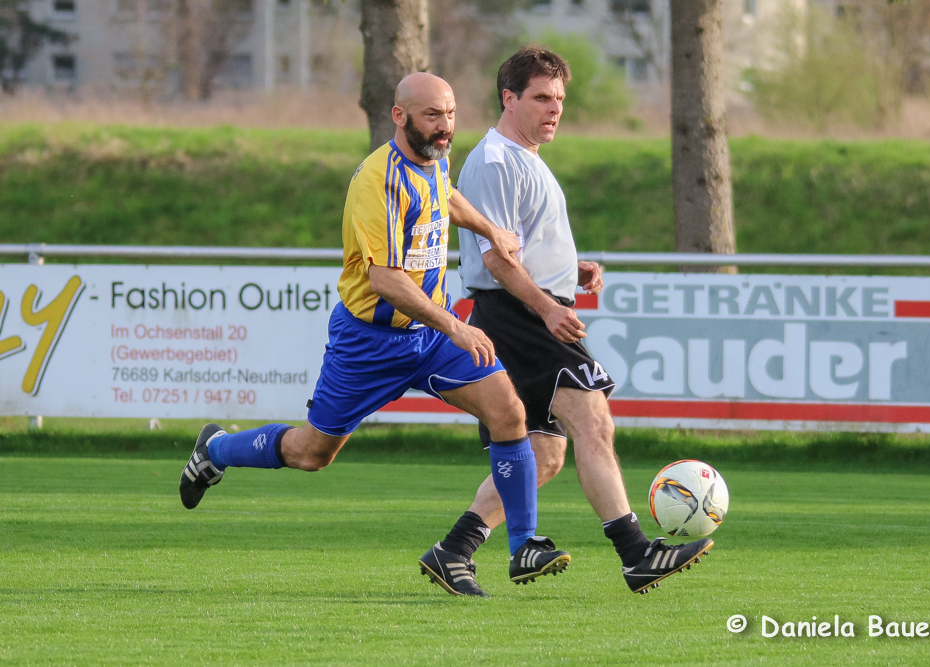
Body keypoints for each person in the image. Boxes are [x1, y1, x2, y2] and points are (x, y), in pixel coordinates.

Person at [179, 72, 570, 598]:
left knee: (509, 412)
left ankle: (523, 544)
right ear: (399, 115)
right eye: (433, 116)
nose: (446, 126)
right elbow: (385, 281)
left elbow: (444, 196)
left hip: (428, 335)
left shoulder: (433, 156)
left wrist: (489, 229)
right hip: (369, 341)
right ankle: (218, 449)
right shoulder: (377, 180)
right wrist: (455, 324)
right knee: (313, 452)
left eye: (451, 114)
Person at [435, 47, 713, 595]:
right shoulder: (494, 161)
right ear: (508, 98)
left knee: (541, 454)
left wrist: (570, 269)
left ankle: (454, 551)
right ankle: (637, 554)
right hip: (518, 316)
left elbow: (520, 244)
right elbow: (494, 259)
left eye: (559, 98)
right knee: (593, 423)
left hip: (525, 309)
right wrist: (548, 306)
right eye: (541, 97)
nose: (554, 108)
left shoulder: (525, 158)